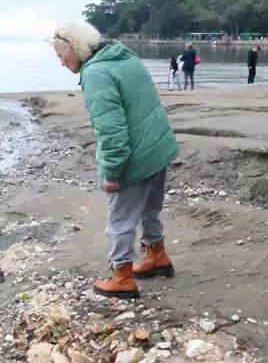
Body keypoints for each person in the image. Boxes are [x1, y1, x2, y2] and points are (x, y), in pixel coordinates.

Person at [51, 22, 180, 297]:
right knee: (149, 209)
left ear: (74, 48)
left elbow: (111, 131)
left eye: (61, 56)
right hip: (158, 147)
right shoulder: (124, 56)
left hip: (136, 156)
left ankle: (122, 276)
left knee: (120, 219)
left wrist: (111, 172)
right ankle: (157, 256)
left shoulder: (96, 72)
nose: (62, 63)